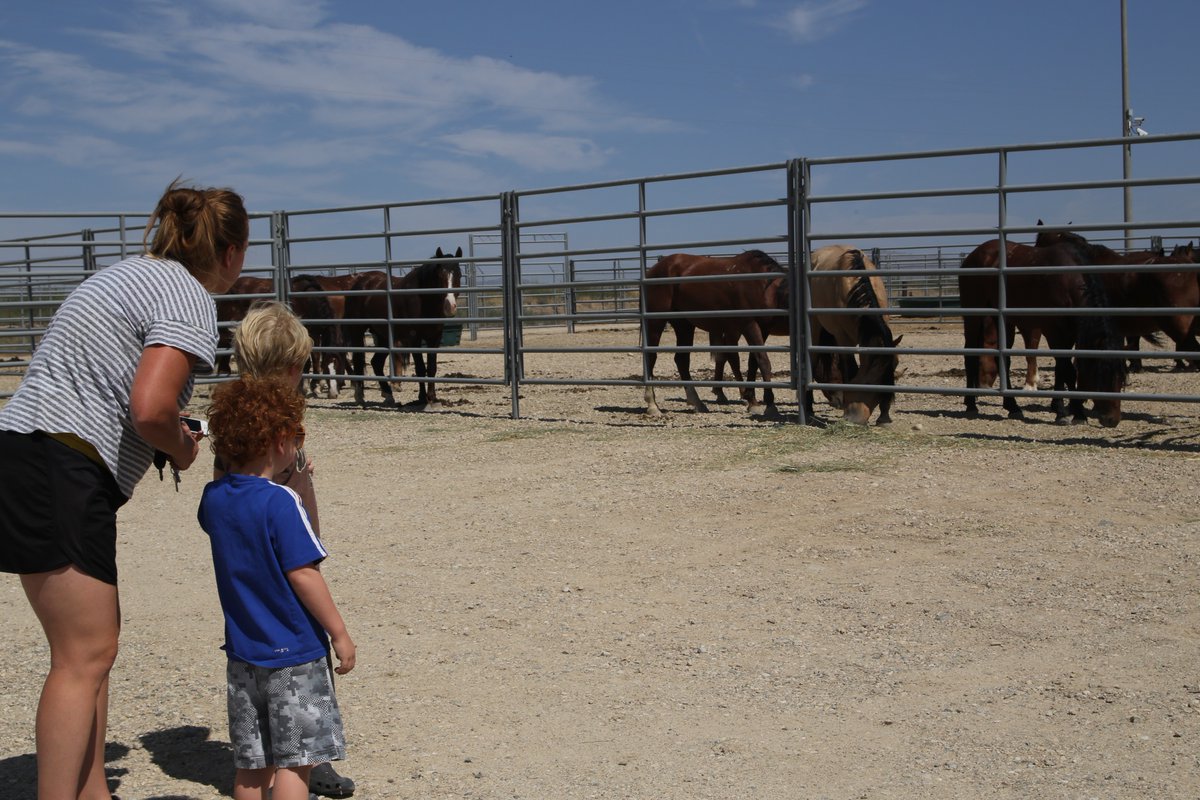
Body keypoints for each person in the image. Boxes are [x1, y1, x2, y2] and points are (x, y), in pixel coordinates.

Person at [0, 178, 248, 800]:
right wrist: (183, 446)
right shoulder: (188, 297)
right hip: (63, 465)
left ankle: (92, 793)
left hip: (23, 448)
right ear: (232, 252)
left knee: (90, 650)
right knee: (84, 656)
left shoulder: (126, 274)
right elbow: (149, 408)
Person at [222, 300, 356, 797]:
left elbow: (221, 499)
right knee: (305, 659)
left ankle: (293, 754)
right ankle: (307, 763)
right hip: (286, 563)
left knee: (254, 753)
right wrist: (339, 630)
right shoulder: (272, 425)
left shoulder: (237, 417)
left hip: (246, 611)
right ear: (291, 366)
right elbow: (290, 522)